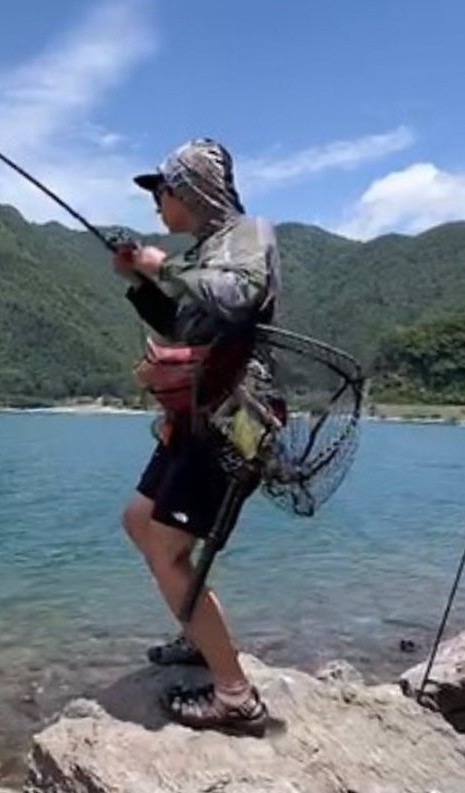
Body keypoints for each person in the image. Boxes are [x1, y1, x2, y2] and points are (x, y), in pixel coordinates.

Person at [111, 137, 280, 736]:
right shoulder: (210, 251)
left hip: (230, 420)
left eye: (161, 192)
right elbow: (183, 320)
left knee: (166, 547)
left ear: (188, 192)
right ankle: (197, 635)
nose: (157, 204)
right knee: (140, 520)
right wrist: (140, 282)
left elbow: (238, 296)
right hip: (196, 416)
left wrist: (164, 266)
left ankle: (234, 696)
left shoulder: (248, 235)